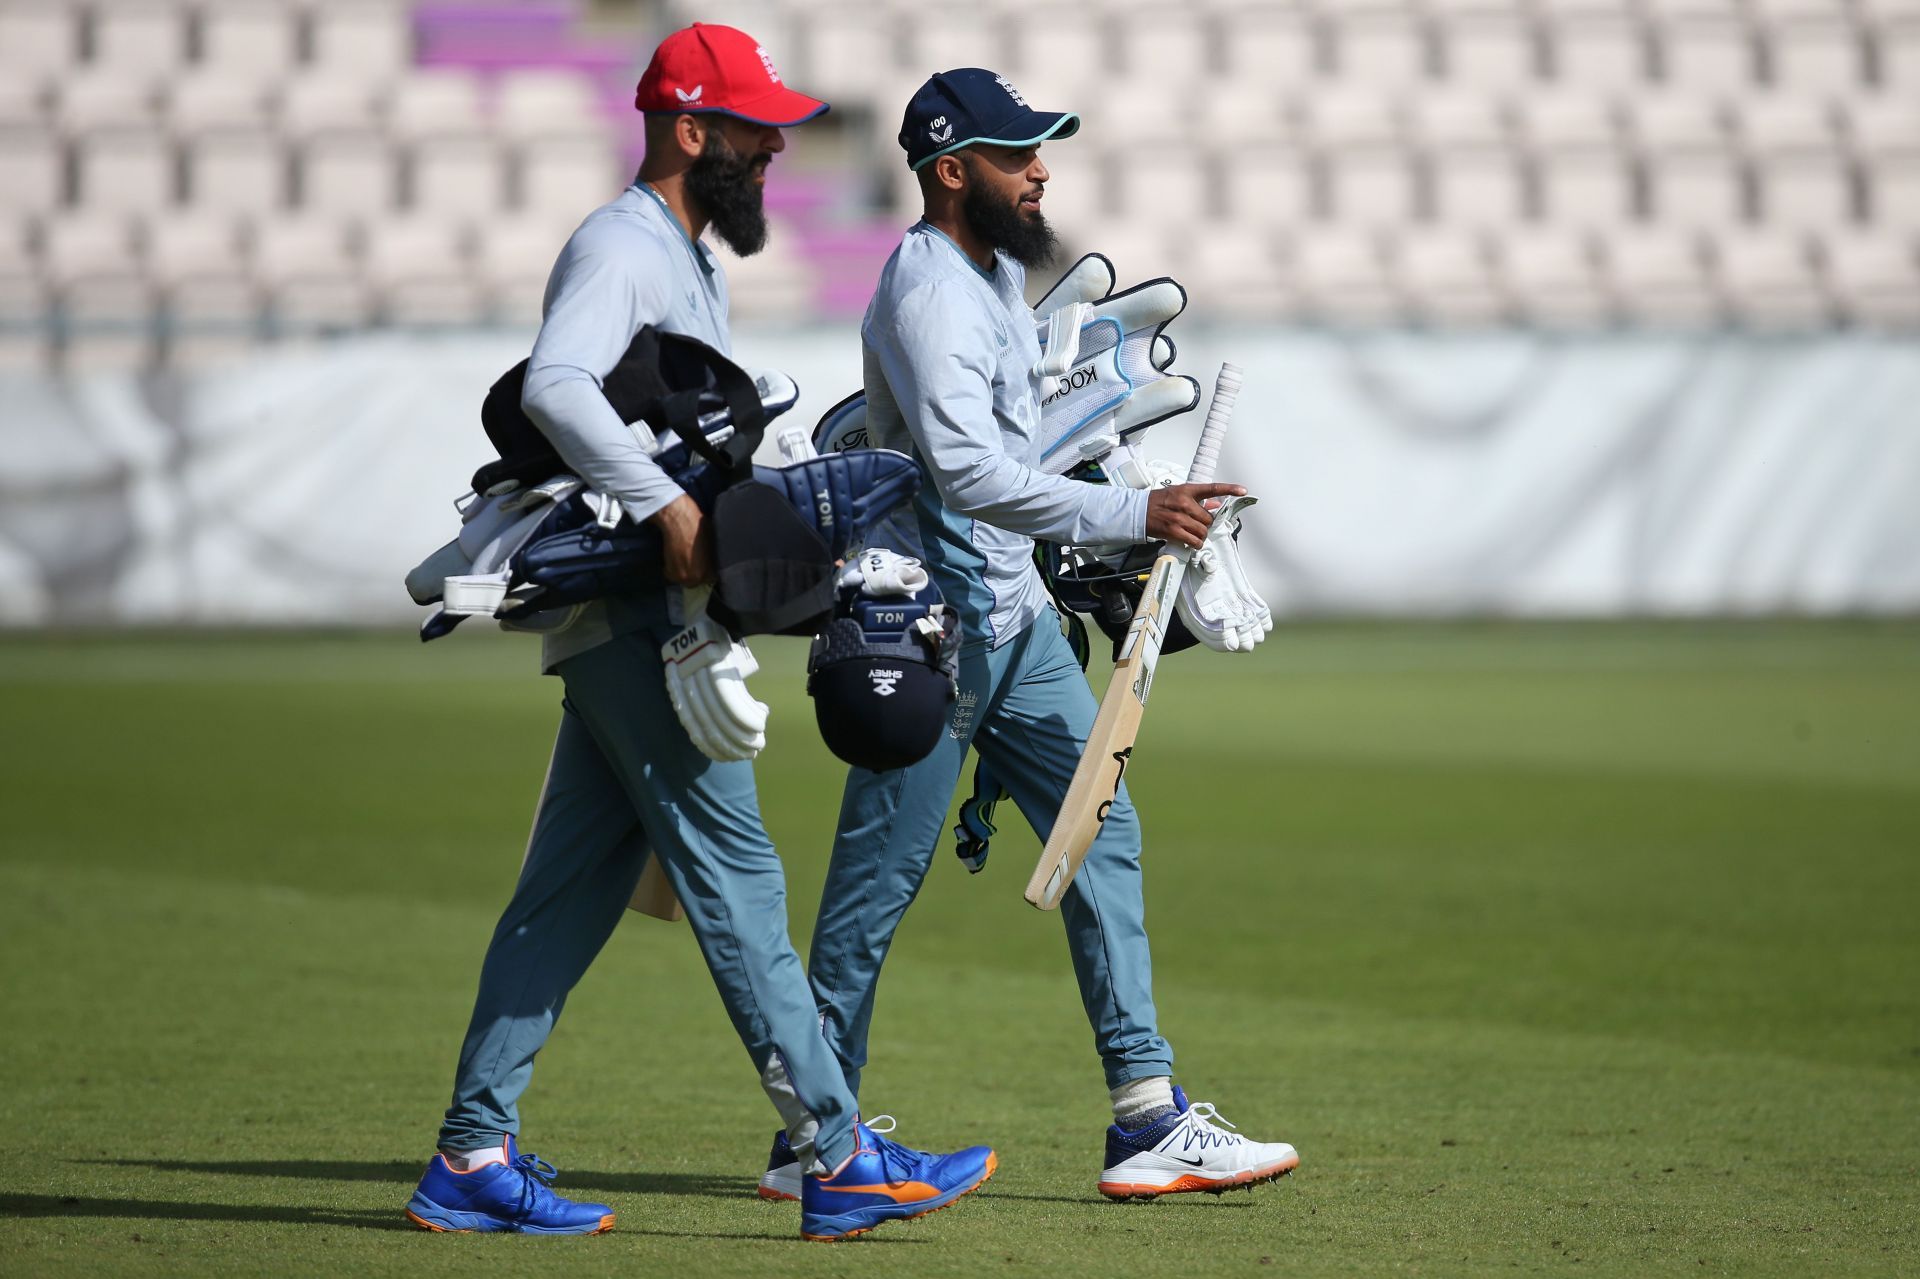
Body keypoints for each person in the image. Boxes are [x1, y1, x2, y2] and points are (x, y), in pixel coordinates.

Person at [405, 27, 995, 1241]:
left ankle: (470, 1154)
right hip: (637, 624)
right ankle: (835, 1155)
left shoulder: (681, 254)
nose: (775, 145)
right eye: (751, 127)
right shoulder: (623, 244)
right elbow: (555, 385)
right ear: (688, 130)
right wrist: (669, 504)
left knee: (561, 898)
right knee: (739, 885)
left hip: (631, 621)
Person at [757, 68, 1300, 1204]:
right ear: (952, 171)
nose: (1040, 167)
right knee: (876, 884)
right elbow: (962, 471)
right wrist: (1129, 512)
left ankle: (1146, 1116)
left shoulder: (992, 270)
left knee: (1103, 828)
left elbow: (1021, 444)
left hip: (1013, 622)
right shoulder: (930, 292)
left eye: (1042, 148)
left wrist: (1108, 470)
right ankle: (813, 1133)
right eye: (1017, 153)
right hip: (928, 632)